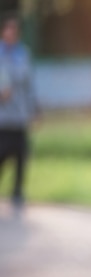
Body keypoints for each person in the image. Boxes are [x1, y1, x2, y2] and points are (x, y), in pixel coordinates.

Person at [0, 16, 37, 210]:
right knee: (2, 154)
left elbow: (30, 85)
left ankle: (17, 192)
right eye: (8, 30)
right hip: (2, 118)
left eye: (14, 31)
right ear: (3, 32)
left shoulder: (23, 54)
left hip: (20, 115)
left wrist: (34, 109)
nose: (10, 33)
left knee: (22, 155)